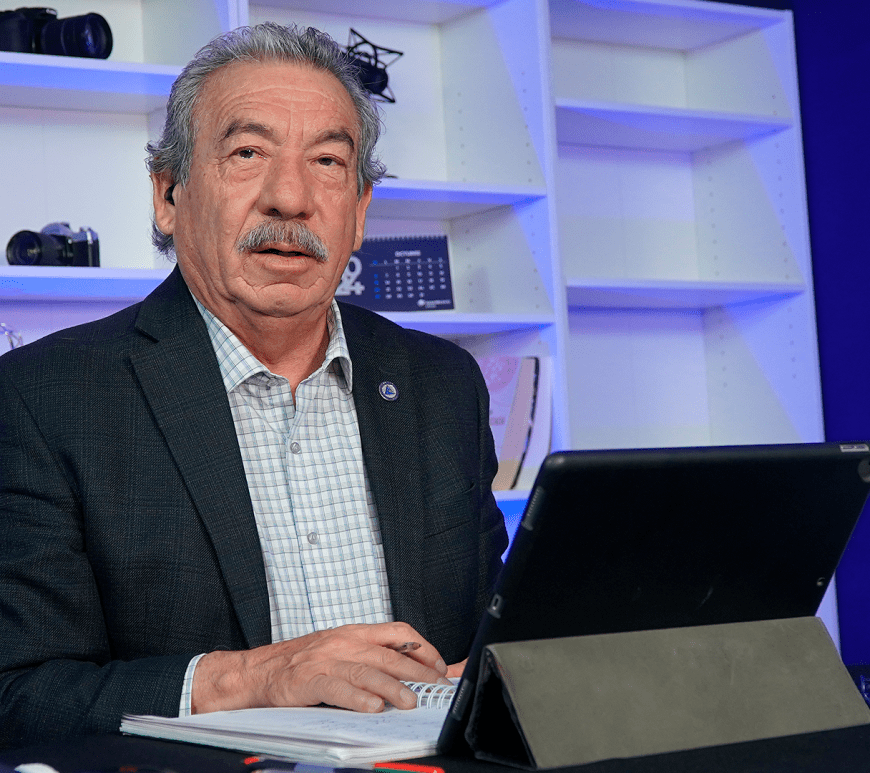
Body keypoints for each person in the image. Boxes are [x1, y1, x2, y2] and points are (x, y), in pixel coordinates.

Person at [0, 22, 507, 749]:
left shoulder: (443, 384)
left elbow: (497, 629)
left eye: (328, 161)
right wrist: (253, 677)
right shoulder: (41, 398)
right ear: (168, 194)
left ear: (360, 210)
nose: (290, 198)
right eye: (248, 153)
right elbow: (18, 696)